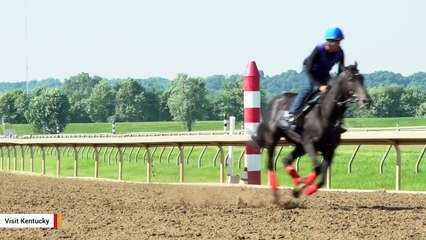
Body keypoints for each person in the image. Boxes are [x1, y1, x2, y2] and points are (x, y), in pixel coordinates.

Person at [281, 25, 345, 131]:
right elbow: (309, 70)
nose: (338, 44)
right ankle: (290, 114)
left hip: (324, 73)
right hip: (309, 71)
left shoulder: (340, 52)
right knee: (308, 89)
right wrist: (320, 86)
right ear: (329, 41)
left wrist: (336, 84)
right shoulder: (319, 50)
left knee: (336, 91)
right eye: (336, 42)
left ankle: (336, 120)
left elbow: (340, 71)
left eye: (339, 41)